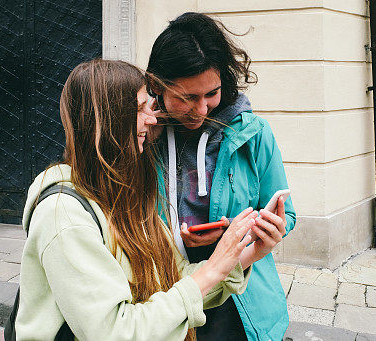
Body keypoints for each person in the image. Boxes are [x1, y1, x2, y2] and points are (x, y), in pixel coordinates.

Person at [15, 59, 268, 341]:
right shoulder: (63, 215)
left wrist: (247, 253)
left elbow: (174, 281)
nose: (152, 119)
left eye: (150, 107)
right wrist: (211, 270)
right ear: (106, 120)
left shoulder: (126, 195)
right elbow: (113, 331)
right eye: (139, 109)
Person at [147, 13, 296, 341]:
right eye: (187, 97)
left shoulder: (253, 133)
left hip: (240, 298)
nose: (201, 110)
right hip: (168, 294)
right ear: (156, 84)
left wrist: (248, 231)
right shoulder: (144, 136)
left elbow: (288, 213)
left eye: (210, 94)